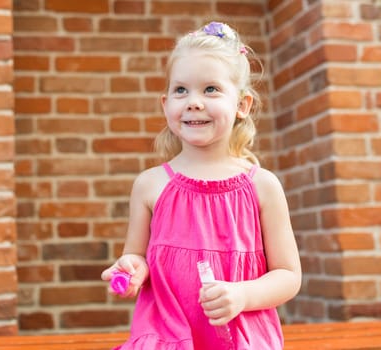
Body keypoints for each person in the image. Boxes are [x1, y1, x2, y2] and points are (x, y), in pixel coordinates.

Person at [101, 21, 302, 350]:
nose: (194, 101)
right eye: (182, 90)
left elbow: (289, 276)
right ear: (165, 104)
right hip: (167, 335)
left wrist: (242, 295)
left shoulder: (263, 186)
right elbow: (137, 256)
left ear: (242, 105)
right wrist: (131, 271)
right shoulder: (150, 185)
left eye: (210, 89)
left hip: (240, 337)